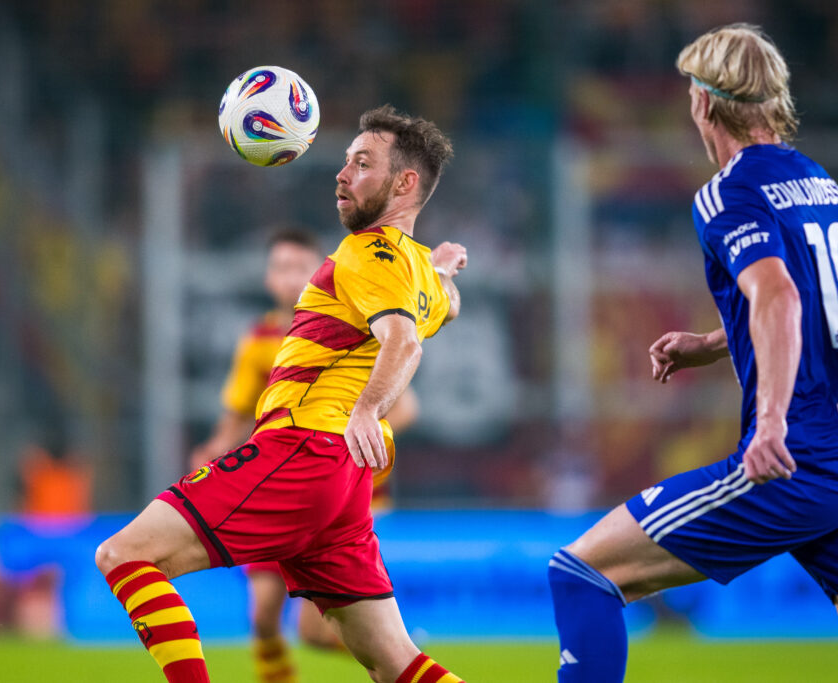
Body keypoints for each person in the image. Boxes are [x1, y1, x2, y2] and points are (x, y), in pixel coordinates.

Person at [96, 104, 467, 683]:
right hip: (345, 483)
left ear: (405, 183)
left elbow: (404, 340)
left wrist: (367, 409)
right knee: (396, 662)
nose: (342, 174)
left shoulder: (366, 252)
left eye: (362, 163)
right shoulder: (417, 270)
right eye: (346, 161)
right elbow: (444, 310)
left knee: (123, 555)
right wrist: (441, 272)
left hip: (304, 449)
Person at [548, 24, 838, 682]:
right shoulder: (817, 182)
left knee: (582, 571)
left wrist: (772, 422)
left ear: (703, 101)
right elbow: (814, 302)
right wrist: (712, 342)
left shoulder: (728, 192)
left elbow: (780, 296)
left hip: (796, 459)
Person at [190, 228, 421, 683]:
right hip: (277, 483)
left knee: (314, 633)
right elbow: (238, 413)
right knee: (262, 615)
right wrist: (214, 449)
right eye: (280, 267)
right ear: (267, 278)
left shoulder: (349, 326)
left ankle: (398, 657)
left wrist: (354, 437)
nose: (289, 277)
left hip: (339, 493)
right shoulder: (259, 340)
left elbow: (406, 406)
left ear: (321, 273)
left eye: (300, 267)